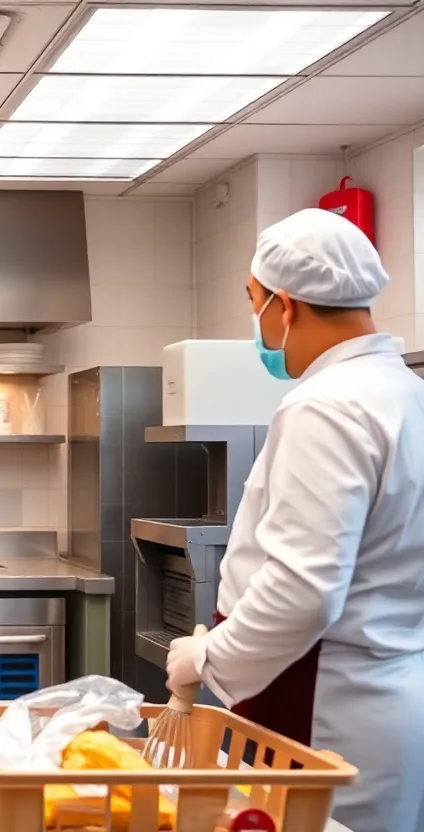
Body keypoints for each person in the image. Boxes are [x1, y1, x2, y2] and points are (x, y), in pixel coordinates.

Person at [165, 208, 424, 832]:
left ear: (285, 306)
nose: (254, 324)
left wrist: (207, 656)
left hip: (324, 709)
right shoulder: (404, 392)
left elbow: (304, 589)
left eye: (252, 302)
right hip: (381, 697)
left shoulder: (328, 407)